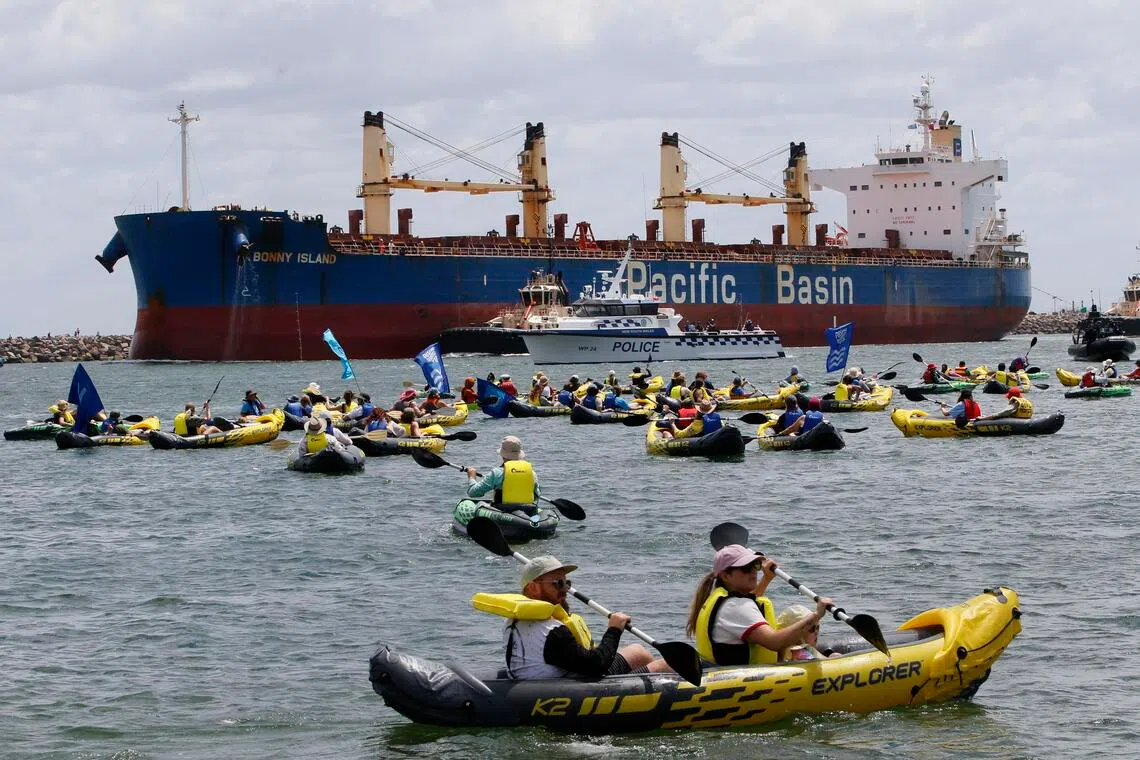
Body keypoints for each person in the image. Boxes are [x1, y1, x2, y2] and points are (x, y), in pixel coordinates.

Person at [496, 554, 669, 679]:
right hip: (570, 689)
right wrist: (614, 629)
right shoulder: (551, 631)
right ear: (533, 588)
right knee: (665, 666)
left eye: (567, 583)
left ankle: (638, 691)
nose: (565, 589)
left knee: (637, 651)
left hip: (561, 676)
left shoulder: (514, 620)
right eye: (558, 583)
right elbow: (597, 666)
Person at [686, 544, 832, 666]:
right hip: (742, 681)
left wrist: (766, 579)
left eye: (754, 566)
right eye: (745, 568)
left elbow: (748, 605)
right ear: (725, 576)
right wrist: (816, 615)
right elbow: (775, 642)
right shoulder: (735, 606)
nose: (753, 572)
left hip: (722, 671)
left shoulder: (721, 596)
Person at [467, 435, 541, 506]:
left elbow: (473, 493)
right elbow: (536, 495)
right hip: (527, 512)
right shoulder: (532, 473)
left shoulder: (496, 473)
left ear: (502, 455)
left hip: (503, 511)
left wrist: (472, 477)